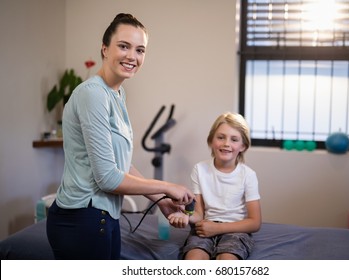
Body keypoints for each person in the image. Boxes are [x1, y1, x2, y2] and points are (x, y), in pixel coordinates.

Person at [46, 13, 194, 260]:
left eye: (140, 50)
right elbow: (107, 178)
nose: (132, 56)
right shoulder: (92, 95)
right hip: (81, 219)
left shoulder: (117, 94)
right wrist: (169, 186)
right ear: (104, 49)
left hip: (104, 218)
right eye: (123, 46)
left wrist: (161, 200)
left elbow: (120, 165)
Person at [169, 112, 262, 260]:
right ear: (212, 140)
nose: (226, 143)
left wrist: (218, 228)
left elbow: (255, 222)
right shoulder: (199, 169)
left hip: (235, 231)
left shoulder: (248, 175)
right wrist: (186, 216)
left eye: (234, 139)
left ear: (243, 146)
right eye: (220, 137)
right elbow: (198, 214)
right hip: (204, 227)